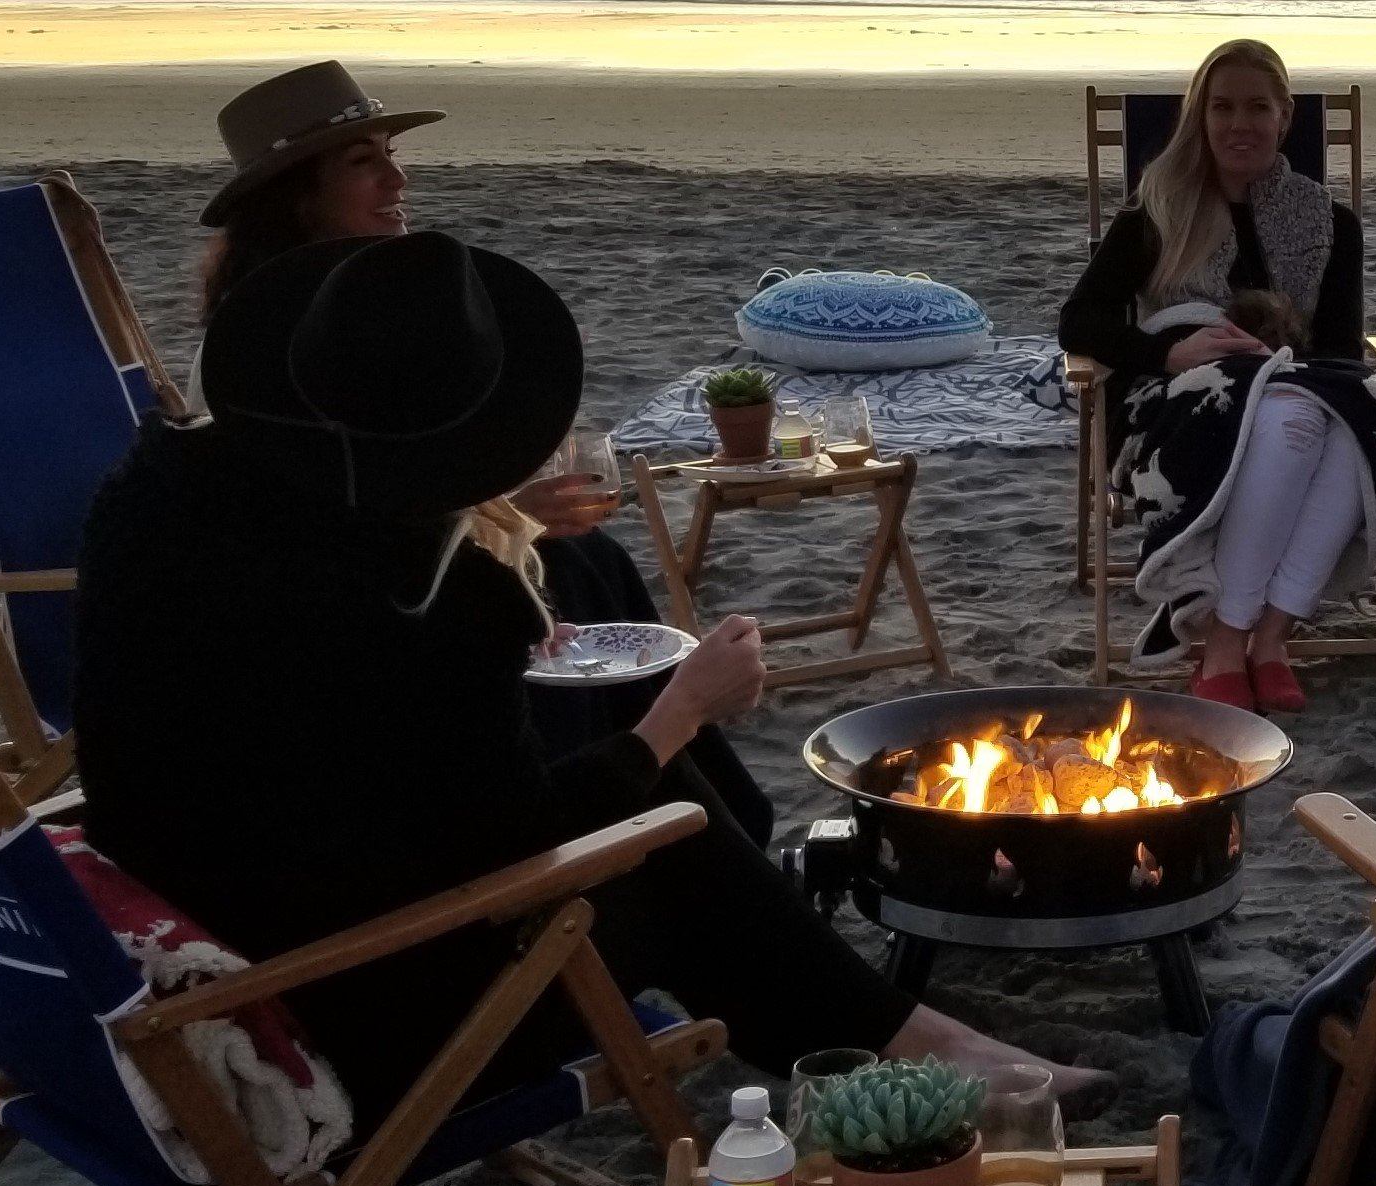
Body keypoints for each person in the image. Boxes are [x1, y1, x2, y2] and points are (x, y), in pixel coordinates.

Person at [73, 230, 1097, 1108]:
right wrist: (679, 715)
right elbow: (516, 844)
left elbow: (373, 762)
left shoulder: (157, 495)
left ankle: (899, 1034)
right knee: (663, 836)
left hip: (185, 921)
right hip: (349, 1000)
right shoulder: (422, 599)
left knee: (654, 806)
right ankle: (906, 1048)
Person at [190, 60, 762, 824]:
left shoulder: (361, 305)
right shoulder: (259, 371)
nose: (397, 180)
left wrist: (508, 512)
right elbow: (344, 548)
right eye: (365, 163)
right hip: (385, 663)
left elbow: (383, 501)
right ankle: (661, 795)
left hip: (389, 593)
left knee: (589, 558)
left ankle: (706, 806)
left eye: (392, 153)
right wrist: (509, 526)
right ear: (293, 201)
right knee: (561, 582)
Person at [1058, 40, 1376, 712]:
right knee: (1297, 419)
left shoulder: (1329, 222)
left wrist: (1285, 369)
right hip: (1180, 399)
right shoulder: (1158, 213)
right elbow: (1078, 321)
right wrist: (1166, 353)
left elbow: (1340, 347)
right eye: (1221, 107)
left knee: (1356, 429)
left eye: (1258, 107)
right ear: (1199, 118)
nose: (1239, 123)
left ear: (1284, 118)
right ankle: (1237, 643)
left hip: (1298, 389)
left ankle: (1262, 637)